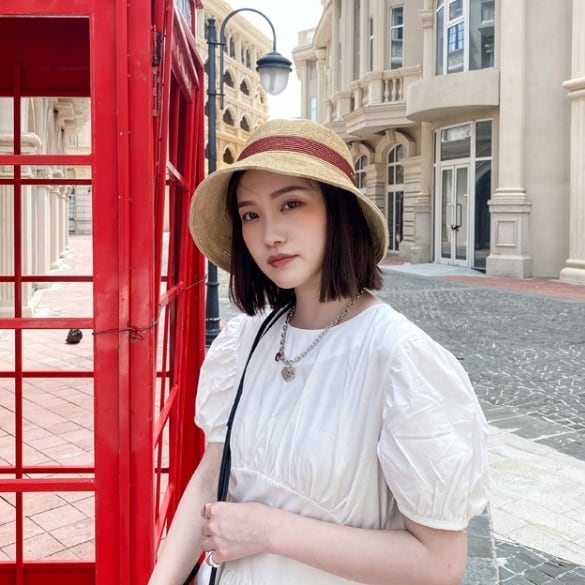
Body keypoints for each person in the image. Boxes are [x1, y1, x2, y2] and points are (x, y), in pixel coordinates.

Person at [148, 119, 489, 585]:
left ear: (338, 212)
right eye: (250, 214)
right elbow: (213, 475)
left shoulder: (401, 360)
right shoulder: (244, 342)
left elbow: (440, 565)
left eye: (291, 204)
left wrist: (268, 530)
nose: (270, 234)